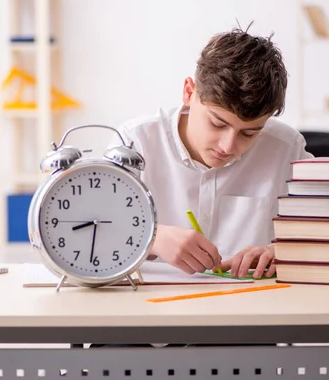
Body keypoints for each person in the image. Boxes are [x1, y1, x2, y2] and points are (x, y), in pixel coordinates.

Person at [115, 25, 312, 280]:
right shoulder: (135, 142)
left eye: (249, 133)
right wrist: (151, 237)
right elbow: (91, 229)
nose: (228, 146)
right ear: (189, 92)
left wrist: (283, 251)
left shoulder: (286, 147)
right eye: (218, 124)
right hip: (151, 300)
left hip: (253, 302)